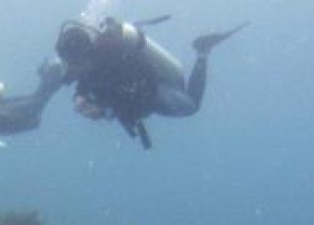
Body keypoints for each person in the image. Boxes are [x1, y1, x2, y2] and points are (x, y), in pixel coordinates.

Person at [54, 16, 247, 149]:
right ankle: (202, 52)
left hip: (156, 90)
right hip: (144, 99)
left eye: (71, 61)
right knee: (184, 101)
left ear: (82, 54)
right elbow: (85, 84)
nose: (70, 67)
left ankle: (202, 51)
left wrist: (104, 110)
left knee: (191, 106)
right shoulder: (86, 66)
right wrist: (80, 98)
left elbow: (141, 85)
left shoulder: (111, 53)